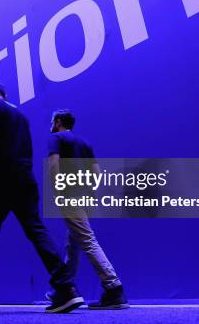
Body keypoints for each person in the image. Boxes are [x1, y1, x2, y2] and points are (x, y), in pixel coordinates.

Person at [0, 82, 83, 314]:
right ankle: (67, 289)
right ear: (5, 94)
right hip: (25, 179)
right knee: (37, 231)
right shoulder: (20, 114)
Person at [47, 109, 128, 309]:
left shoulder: (56, 138)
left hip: (70, 195)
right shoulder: (84, 143)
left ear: (58, 122)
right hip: (87, 197)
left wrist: (60, 191)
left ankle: (113, 287)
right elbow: (96, 173)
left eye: (52, 121)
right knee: (72, 245)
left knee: (87, 241)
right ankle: (65, 289)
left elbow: (53, 166)